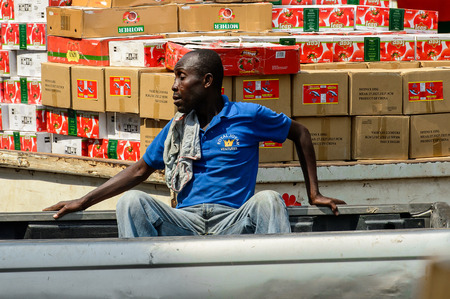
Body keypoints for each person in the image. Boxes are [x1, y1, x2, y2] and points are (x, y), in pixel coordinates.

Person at [44, 49, 346, 237]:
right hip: (184, 221)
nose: (174, 86)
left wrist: (314, 193)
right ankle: (143, 280)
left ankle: (274, 279)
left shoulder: (248, 115)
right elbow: (138, 171)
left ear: (207, 81)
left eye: (181, 77)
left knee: (268, 199)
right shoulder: (176, 127)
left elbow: (301, 133)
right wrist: (82, 201)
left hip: (233, 220)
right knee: (131, 202)